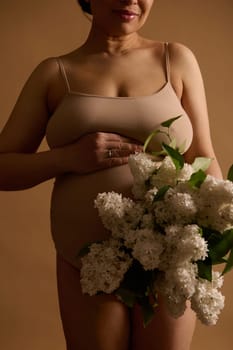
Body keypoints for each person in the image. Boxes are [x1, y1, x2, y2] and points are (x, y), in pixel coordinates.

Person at [0, 0, 223, 349]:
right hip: (88, 264)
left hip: (171, 253)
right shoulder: (54, 73)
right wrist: (67, 158)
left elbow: (204, 158)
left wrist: (216, 242)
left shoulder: (176, 59)